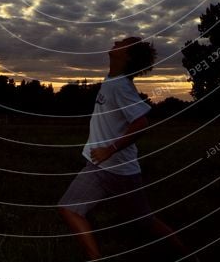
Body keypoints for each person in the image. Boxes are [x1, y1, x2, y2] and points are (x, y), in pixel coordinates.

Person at [58, 36, 189, 260]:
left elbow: (141, 122)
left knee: (145, 221)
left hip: (118, 170)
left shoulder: (121, 87)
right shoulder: (112, 80)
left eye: (122, 43)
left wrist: (110, 149)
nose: (116, 42)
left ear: (127, 56)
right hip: (99, 166)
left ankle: (188, 256)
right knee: (69, 208)